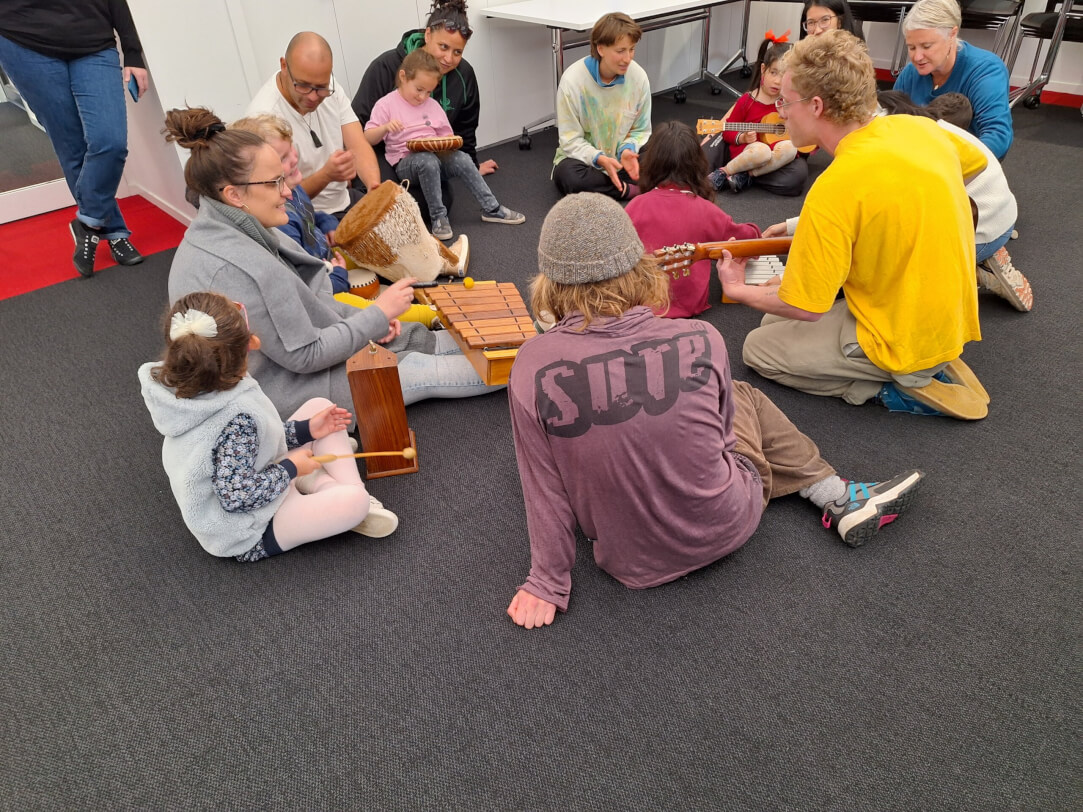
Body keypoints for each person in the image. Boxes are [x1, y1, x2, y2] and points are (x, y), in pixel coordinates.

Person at [505, 193, 925, 629]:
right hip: (730, 522)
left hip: (629, 562)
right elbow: (722, 444)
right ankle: (834, 495)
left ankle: (826, 492)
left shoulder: (531, 366)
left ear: (550, 283)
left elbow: (543, 486)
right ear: (638, 267)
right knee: (742, 394)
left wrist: (547, 582)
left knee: (569, 449)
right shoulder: (703, 337)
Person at [163, 107, 503, 423]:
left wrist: (368, 321)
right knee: (417, 369)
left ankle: (522, 347)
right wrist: (377, 314)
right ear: (234, 194)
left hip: (291, 365)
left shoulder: (229, 225)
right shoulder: (235, 266)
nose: (287, 191)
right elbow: (305, 355)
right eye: (275, 182)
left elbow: (311, 304)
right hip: (276, 394)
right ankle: (531, 367)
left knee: (415, 340)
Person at [721, 31, 990, 420]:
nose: (780, 111)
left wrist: (737, 289)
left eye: (785, 101)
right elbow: (974, 163)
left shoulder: (835, 186)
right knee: (772, 317)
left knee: (757, 347)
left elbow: (805, 307)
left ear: (816, 106)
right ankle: (923, 361)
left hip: (903, 340)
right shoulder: (920, 129)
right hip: (947, 316)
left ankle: (891, 388)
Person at [139, 292, 400, 562]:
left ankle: (322, 484)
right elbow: (236, 498)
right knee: (353, 504)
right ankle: (345, 495)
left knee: (321, 408)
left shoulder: (205, 375)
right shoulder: (236, 419)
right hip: (249, 527)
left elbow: (255, 439)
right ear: (251, 344)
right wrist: (292, 468)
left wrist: (307, 430)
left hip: (259, 474)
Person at [229, 113, 457, 327]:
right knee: (368, 309)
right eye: (283, 158)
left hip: (326, 259)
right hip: (325, 285)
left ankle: (431, 263)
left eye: (291, 150)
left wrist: (326, 223)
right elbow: (307, 287)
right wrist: (338, 277)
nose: (294, 158)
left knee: (375, 252)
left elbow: (309, 216)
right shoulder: (280, 224)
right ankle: (433, 316)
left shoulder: (293, 191)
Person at [0, 0, 148, 277]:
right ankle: (114, 232)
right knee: (71, 145)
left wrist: (133, 52)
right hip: (22, 41)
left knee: (110, 142)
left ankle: (88, 222)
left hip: (93, 38)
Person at [878, 91, 1031, 311]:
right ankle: (977, 256)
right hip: (1001, 213)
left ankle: (973, 275)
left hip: (982, 229)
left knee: (893, 274)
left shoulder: (905, 142)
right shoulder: (927, 123)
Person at [364, 50, 525, 242]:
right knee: (427, 161)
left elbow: (447, 136)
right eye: (419, 89)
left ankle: (492, 208)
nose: (423, 97)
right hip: (406, 162)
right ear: (403, 77)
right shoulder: (386, 104)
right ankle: (438, 218)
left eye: (429, 91)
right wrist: (384, 128)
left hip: (434, 155)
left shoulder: (432, 105)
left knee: (462, 159)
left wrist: (444, 144)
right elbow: (368, 137)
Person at [626, 121, 760, 318]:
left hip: (641, 304)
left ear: (652, 163)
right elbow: (750, 243)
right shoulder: (707, 211)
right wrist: (754, 229)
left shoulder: (635, 206)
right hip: (690, 306)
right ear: (697, 164)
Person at [353, 0, 495, 178]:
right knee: (391, 199)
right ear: (428, 35)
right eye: (443, 47)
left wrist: (471, 167)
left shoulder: (464, 74)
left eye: (457, 52)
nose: (448, 59)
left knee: (436, 200)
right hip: (382, 153)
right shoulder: (385, 66)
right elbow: (355, 126)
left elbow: (465, 129)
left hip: (426, 159)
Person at [246, 31, 380, 217]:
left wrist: (375, 188)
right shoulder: (263, 118)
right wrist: (326, 175)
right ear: (284, 66)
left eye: (321, 88)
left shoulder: (329, 86)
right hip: (306, 218)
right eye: (303, 86)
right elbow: (277, 198)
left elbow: (357, 144)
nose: (313, 96)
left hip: (344, 200)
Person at [893, 0, 1013, 160]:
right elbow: (889, 125)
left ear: (952, 35)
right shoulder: (910, 74)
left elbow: (997, 136)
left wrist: (951, 166)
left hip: (963, 167)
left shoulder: (986, 70)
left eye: (927, 46)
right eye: (911, 47)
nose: (917, 57)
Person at [552, 13, 651, 200]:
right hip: (587, 163)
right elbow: (570, 140)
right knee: (568, 176)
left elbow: (641, 130)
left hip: (623, 162)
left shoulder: (638, 77)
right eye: (620, 51)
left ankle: (616, 187)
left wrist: (628, 150)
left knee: (664, 154)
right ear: (601, 48)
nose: (628, 58)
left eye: (632, 49)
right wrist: (599, 158)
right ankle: (630, 190)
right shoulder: (572, 81)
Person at [703, 34, 809, 196]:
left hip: (775, 160)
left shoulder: (791, 103)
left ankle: (745, 176)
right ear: (763, 70)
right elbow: (728, 131)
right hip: (749, 153)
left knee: (792, 152)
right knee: (761, 151)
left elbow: (804, 133)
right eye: (774, 73)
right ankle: (726, 172)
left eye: (784, 76)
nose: (778, 81)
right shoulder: (748, 100)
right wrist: (742, 137)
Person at [799, 0, 865, 40]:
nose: (817, 31)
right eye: (811, 23)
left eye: (825, 20)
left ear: (839, 22)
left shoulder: (853, 60)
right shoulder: (797, 58)